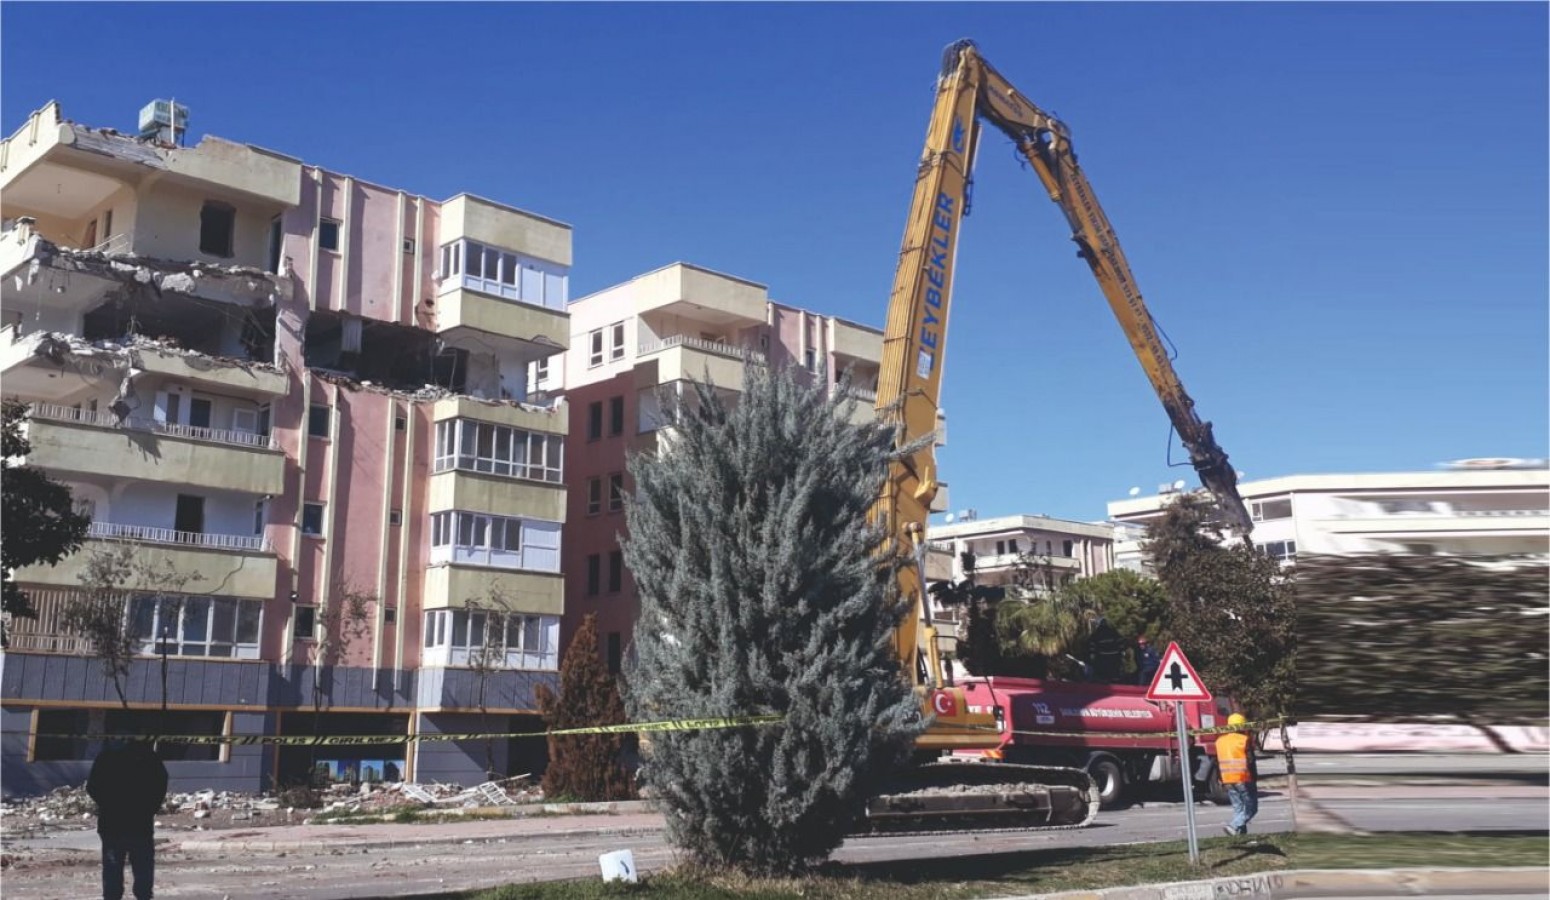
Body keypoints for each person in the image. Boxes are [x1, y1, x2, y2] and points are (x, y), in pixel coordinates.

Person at [87, 738, 169, 900]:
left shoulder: (106, 758)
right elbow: (161, 783)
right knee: (142, 867)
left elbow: (92, 787)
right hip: (140, 822)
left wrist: (108, 805)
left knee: (113, 868)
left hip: (112, 823)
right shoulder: (148, 758)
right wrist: (149, 809)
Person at [1216, 713, 1259, 836]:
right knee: (1251, 808)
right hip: (1243, 778)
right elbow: (1250, 761)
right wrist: (1254, 778)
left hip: (1227, 779)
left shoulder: (1220, 741)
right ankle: (1233, 826)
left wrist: (1220, 778)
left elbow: (1217, 761)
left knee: (1238, 807)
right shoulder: (1244, 740)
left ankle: (1240, 833)